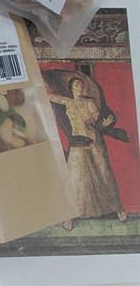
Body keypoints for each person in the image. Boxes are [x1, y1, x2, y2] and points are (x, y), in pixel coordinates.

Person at [49, 77, 127, 230]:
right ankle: (69, 214)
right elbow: (50, 96)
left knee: (103, 173)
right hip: (78, 141)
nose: (79, 87)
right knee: (74, 177)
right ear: (71, 88)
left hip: (94, 140)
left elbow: (96, 124)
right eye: (76, 85)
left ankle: (118, 208)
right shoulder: (68, 102)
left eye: (81, 85)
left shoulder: (90, 103)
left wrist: (103, 125)